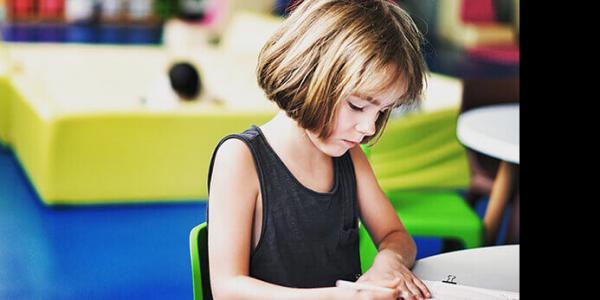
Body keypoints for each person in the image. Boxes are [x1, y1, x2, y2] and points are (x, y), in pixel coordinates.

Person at [206, 0, 430, 299]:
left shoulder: (350, 157)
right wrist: (342, 297)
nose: (370, 128)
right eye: (358, 106)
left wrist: (389, 261)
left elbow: (397, 236)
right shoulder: (240, 159)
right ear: (309, 77)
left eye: (381, 112)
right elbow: (227, 288)